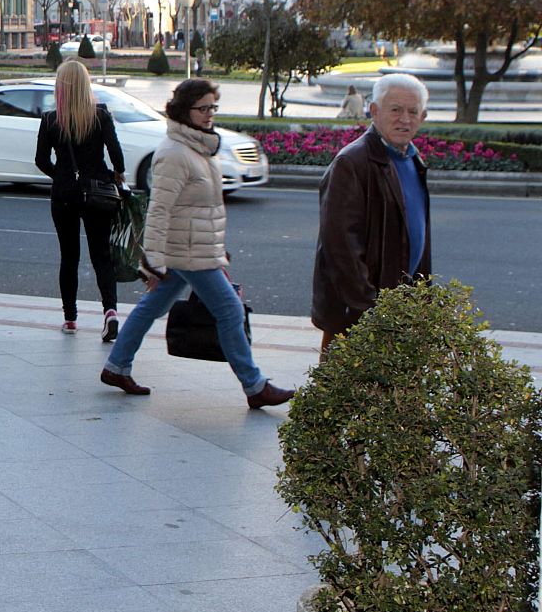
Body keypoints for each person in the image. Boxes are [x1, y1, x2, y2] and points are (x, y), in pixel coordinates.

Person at [99, 78, 295, 409]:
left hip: (194, 248)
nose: (209, 114)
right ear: (183, 111)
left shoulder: (198, 147)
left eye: (212, 107)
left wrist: (215, 250)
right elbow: (159, 209)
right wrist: (153, 261)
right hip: (186, 252)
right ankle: (254, 386)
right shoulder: (175, 153)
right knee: (230, 310)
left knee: (153, 307)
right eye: (202, 108)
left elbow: (202, 209)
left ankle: (116, 366)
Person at [311, 73, 431, 352]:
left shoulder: (412, 160)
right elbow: (340, 247)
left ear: (423, 116)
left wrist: (419, 305)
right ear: (374, 111)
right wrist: (369, 309)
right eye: (396, 109)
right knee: (344, 391)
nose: (405, 119)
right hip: (359, 314)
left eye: (413, 111)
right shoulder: (352, 163)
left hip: (397, 310)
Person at [35, 59, 125, 339]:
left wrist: (61, 176)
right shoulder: (100, 116)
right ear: (86, 85)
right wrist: (114, 174)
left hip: (64, 196)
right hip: (97, 193)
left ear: (60, 88)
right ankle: (110, 311)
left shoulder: (51, 120)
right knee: (102, 256)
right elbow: (116, 153)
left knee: (69, 256)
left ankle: (70, 318)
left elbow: (40, 160)